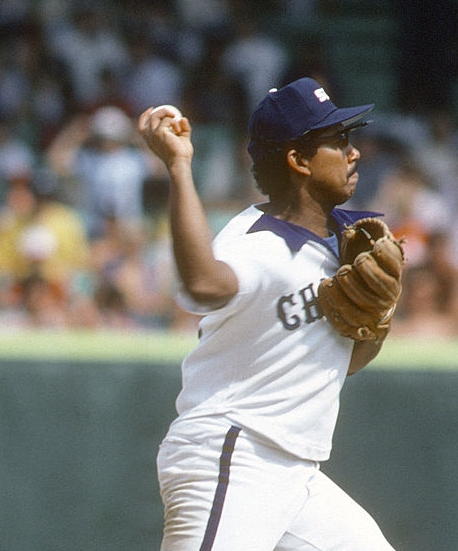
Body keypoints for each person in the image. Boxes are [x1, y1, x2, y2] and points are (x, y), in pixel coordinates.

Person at [138, 77, 396, 550]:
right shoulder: (257, 245)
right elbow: (202, 285)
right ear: (298, 160)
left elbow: (345, 363)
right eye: (337, 140)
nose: (353, 152)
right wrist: (179, 167)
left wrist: (377, 325)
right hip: (231, 454)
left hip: (297, 473)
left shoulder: (344, 243)